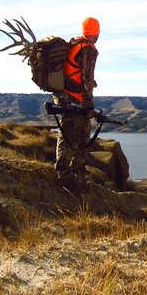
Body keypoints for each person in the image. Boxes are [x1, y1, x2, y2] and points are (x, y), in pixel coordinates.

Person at [53, 17, 100, 188]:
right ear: (97, 33)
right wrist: (90, 105)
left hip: (65, 97)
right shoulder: (88, 49)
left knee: (73, 132)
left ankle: (74, 169)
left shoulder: (74, 44)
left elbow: (75, 72)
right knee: (73, 134)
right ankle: (64, 173)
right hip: (76, 100)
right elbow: (86, 79)